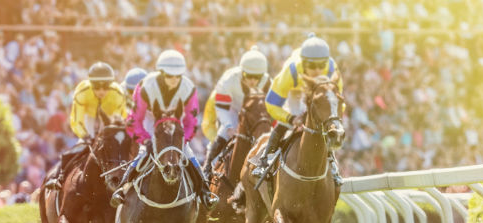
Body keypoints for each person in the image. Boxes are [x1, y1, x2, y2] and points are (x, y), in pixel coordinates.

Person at [110, 49, 217, 209]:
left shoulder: (189, 88)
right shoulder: (145, 86)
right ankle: (122, 189)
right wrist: (145, 139)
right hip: (150, 120)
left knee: (187, 152)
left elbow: (191, 121)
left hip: (175, 123)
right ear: (161, 72)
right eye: (169, 75)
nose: (174, 79)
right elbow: (135, 119)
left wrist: (183, 140)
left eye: (177, 76)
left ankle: (205, 192)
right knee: (143, 152)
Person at [252, 34, 345, 185]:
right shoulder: (291, 71)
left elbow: (338, 104)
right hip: (295, 93)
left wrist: (333, 120)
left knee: (324, 126)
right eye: (312, 66)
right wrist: (290, 118)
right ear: (303, 62)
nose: (317, 70)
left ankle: (332, 165)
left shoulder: (332, 71)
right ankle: (265, 160)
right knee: (292, 120)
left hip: (319, 95)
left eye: (321, 65)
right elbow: (271, 104)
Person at [44, 62, 127, 190]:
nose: (101, 91)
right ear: (90, 84)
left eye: (105, 87)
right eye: (97, 87)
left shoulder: (117, 93)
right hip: (88, 118)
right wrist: (85, 136)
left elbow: (121, 120)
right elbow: (76, 120)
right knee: (80, 146)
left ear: (111, 85)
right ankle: (59, 176)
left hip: (109, 119)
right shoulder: (82, 91)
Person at [203, 46, 271, 178]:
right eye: (248, 76)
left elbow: (271, 109)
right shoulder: (229, 79)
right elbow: (222, 108)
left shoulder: (269, 82)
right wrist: (229, 126)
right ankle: (206, 170)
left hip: (255, 115)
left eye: (257, 77)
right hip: (232, 111)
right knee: (223, 132)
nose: (253, 81)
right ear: (242, 71)